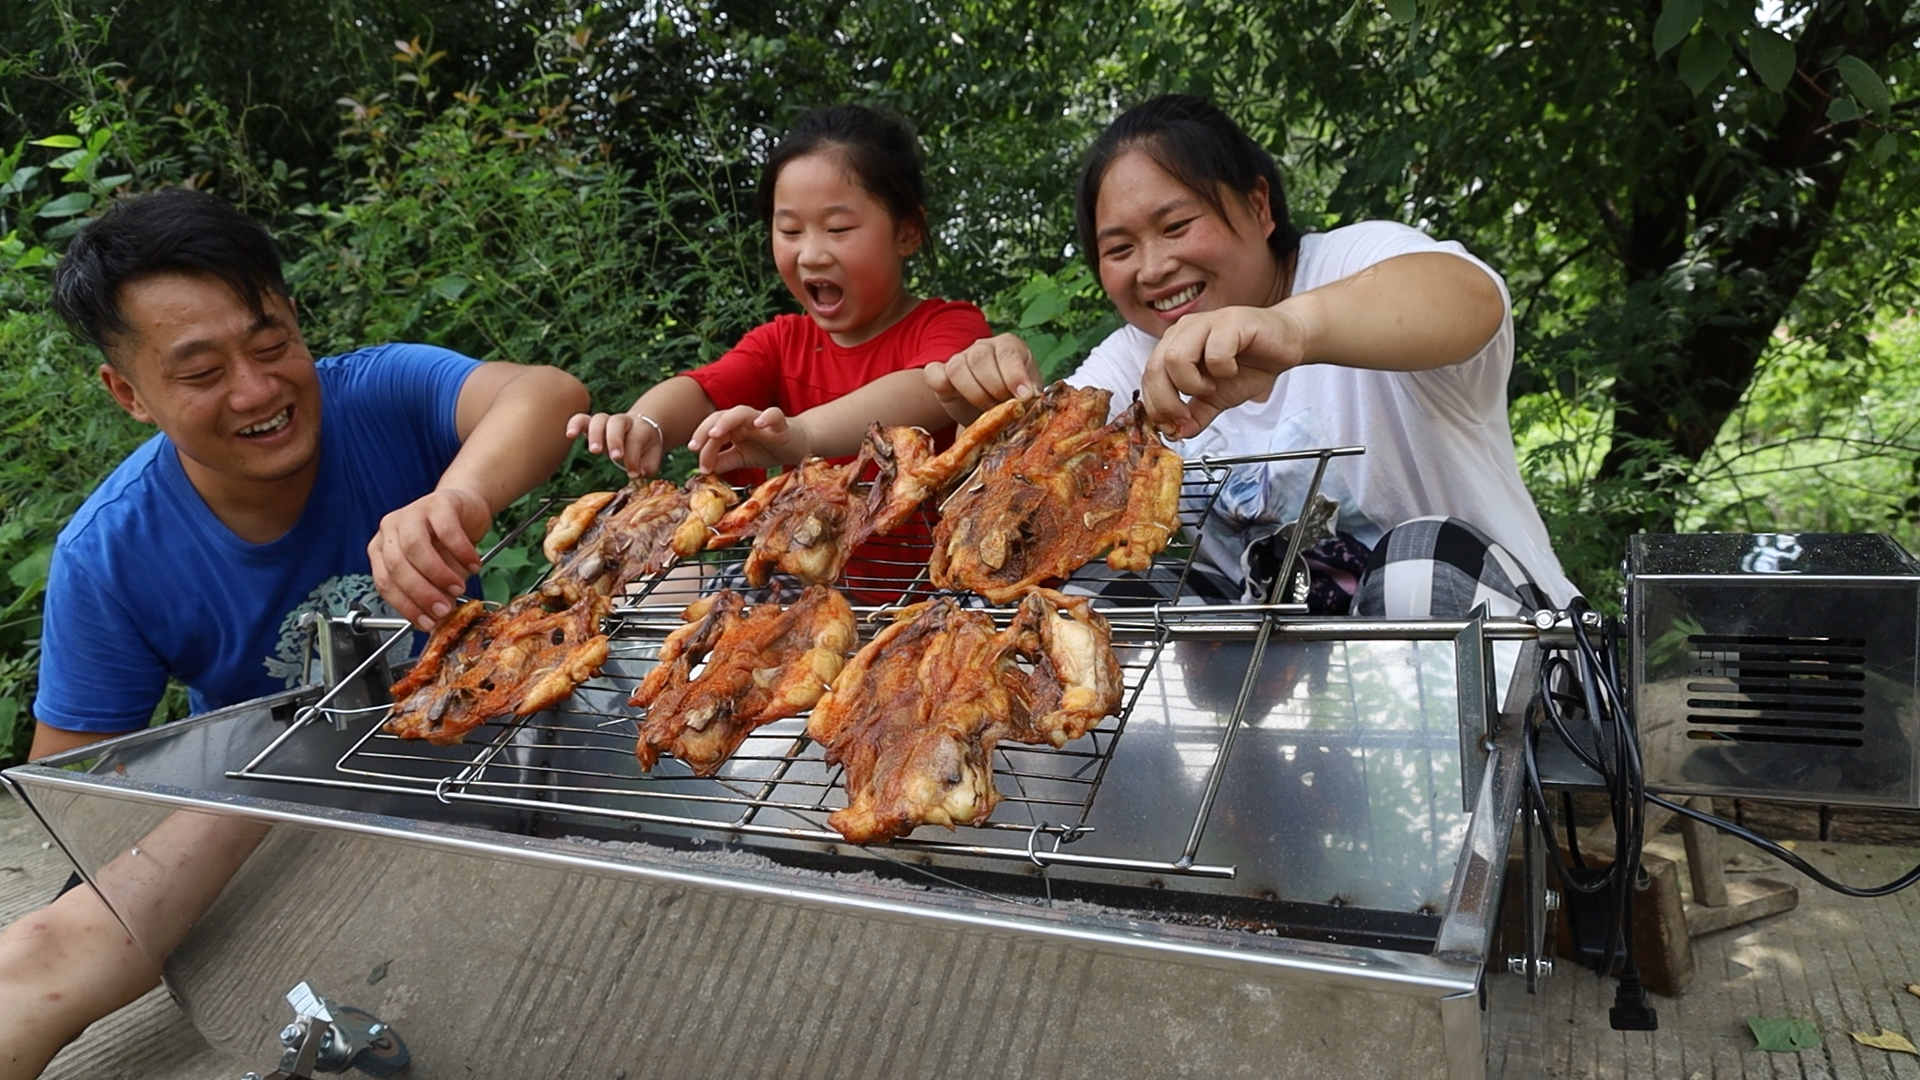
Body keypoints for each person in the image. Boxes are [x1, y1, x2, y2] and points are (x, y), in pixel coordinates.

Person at [0, 187, 587, 1079]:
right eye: (200, 373)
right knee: (41, 958)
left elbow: (545, 394)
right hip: (275, 809)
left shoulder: (377, 393)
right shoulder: (111, 554)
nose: (257, 390)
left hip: (474, 740)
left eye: (270, 342)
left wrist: (456, 495)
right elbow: (78, 797)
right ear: (130, 394)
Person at [927, 94, 1576, 617]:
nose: (1153, 267)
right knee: (1071, 589)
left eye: (1177, 226)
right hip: (1298, 714)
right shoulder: (1132, 361)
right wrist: (984, 402)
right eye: (1120, 249)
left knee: (1418, 564)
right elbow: (1038, 477)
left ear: (1259, 206)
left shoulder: (1349, 265)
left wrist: (1290, 328)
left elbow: (1469, 300)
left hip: (1517, 670)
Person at [565, 105, 988, 600]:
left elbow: (930, 385)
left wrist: (803, 435)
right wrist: (645, 423)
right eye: (790, 231)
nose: (810, 253)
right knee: (634, 602)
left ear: (907, 232)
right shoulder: (781, 341)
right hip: (803, 586)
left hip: (927, 597)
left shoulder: (950, 324)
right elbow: (703, 390)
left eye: (838, 229)